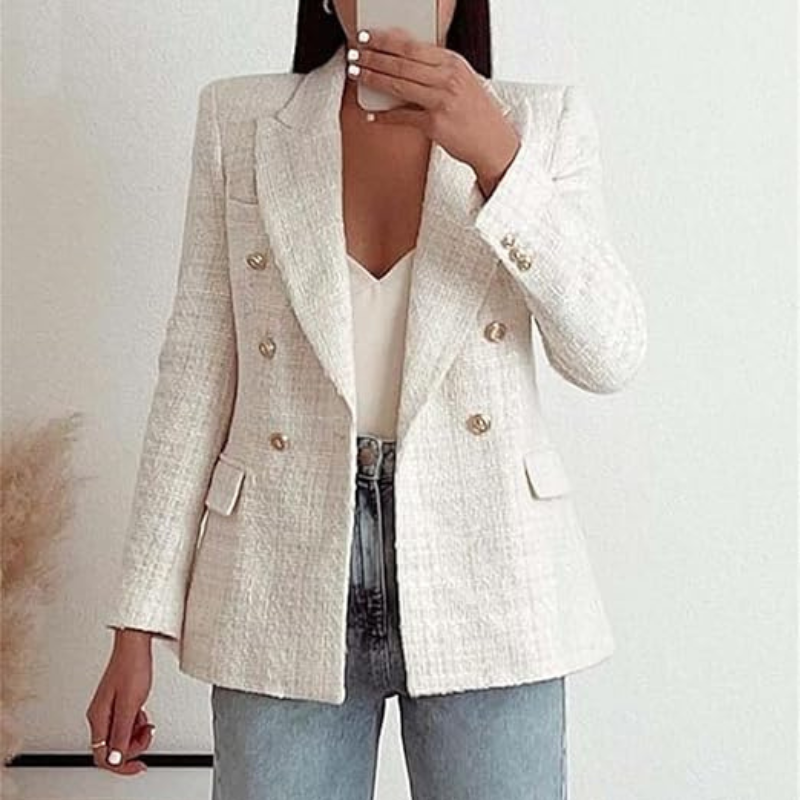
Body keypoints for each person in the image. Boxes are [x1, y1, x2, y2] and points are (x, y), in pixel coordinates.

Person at [86, 0, 647, 797]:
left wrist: (499, 161)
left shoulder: (538, 125)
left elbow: (610, 354)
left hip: (491, 571)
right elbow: (195, 373)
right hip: (278, 566)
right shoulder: (240, 122)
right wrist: (136, 622)